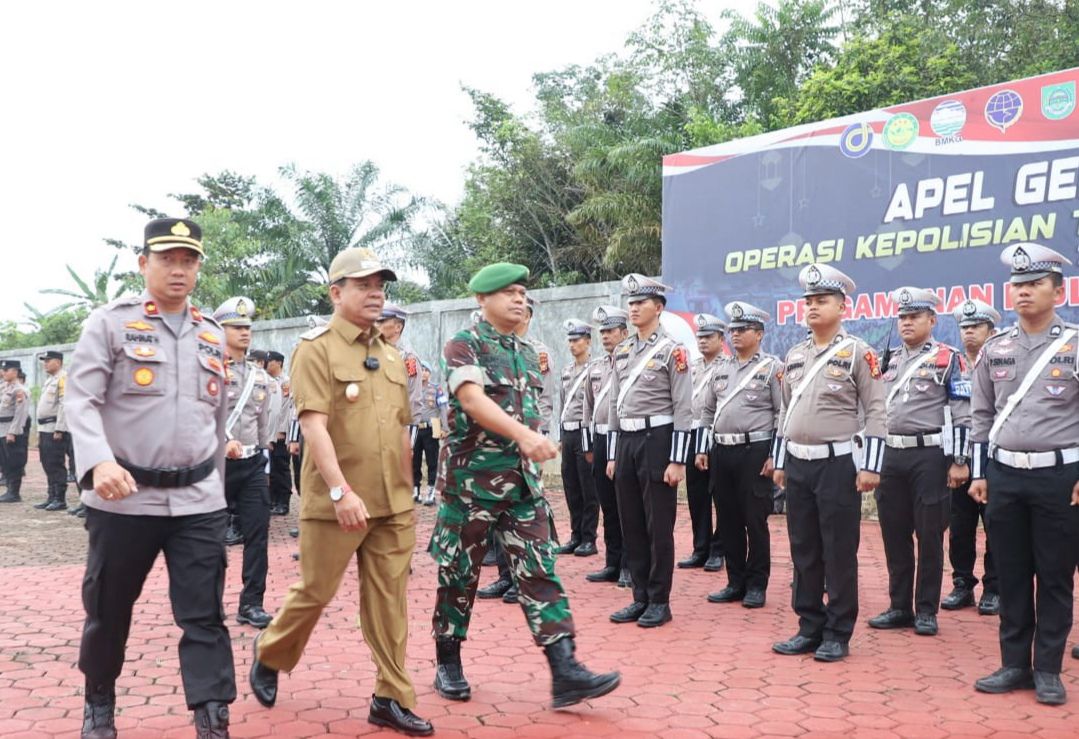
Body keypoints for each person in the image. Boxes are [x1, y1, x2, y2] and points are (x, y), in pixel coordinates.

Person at [248, 247, 432, 736]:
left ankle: (390, 697)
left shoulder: (390, 353)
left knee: (390, 601)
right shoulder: (317, 348)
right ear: (336, 292)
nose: (375, 294)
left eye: (380, 286)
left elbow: (399, 429)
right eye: (363, 285)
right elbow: (314, 426)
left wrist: (409, 490)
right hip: (339, 502)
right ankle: (270, 650)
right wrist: (339, 492)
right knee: (316, 591)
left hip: (392, 504)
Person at [66, 217, 235, 738]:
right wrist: (97, 463)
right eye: (167, 259)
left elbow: (218, 419)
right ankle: (99, 701)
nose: (178, 270)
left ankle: (211, 717)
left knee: (203, 614)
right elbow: (82, 400)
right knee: (108, 610)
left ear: (198, 268)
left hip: (199, 502)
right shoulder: (109, 323)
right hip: (125, 500)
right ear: (144, 264)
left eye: (188, 261)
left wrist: (220, 492)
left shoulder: (212, 334)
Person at [429, 262, 621, 709]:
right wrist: (525, 435)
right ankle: (448, 661)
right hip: (471, 486)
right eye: (508, 292)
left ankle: (565, 670)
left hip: (522, 489)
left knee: (540, 571)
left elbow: (531, 407)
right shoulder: (464, 345)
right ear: (482, 299)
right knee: (459, 577)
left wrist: (535, 440)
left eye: (522, 292)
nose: (519, 299)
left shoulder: (526, 349)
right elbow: (472, 399)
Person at [970, 243, 1079, 706]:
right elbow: (979, 416)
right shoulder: (997, 347)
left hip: (1059, 478)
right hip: (1005, 477)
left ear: (1058, 291)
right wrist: (980, 473)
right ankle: (1014, 663)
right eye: (1017, 285)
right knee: (1011, 573)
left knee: (1054, 575)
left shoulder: (1074, 343)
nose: (1023, 292)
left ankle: (1048, 669)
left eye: (1034, 284)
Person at [772, 263, 886, 663]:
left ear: (842, 307)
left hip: (838, 465)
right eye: (809, 301)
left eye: (822, 301)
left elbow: (876, 411)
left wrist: (870, 466)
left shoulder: (859, 353)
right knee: (803, 548)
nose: (813, 307)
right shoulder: (795, 354)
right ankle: (809, 625)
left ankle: (838, 631)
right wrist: (780, 461)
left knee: (838, 550)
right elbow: (784, 413)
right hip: (799, 465)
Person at [868, 287, 971, 637]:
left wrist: (959, 460)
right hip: (891, 455)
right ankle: (899, 606)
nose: (907, 322)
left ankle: (926, 609)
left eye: (914, 316)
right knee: (893, 533)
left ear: (932, 320)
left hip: (930, 456)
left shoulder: (948, 358)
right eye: (903, 317)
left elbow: (962, 414)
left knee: (929, 535)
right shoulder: (888, 359)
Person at [606, 274, 694, 629]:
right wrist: (613, 453)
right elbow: (614, 402)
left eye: (640, 302)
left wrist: (678, 459)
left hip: (657, 440)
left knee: (658, 524)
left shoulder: (673, 351)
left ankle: (659, 599)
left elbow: (683, 407)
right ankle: (639, 595)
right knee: (631, 523)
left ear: (658, 308)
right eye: (630, 302)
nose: (633, 308)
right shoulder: (623, 350)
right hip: (626, 442)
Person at [695, 302, 781, 609]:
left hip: (755, 451)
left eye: (742, 330)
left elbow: (781, 413)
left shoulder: (772, 368)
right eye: (732, 330)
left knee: (754, 520)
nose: (735, 334)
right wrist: (702, 448)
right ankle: (735, 581)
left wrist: (775, 457)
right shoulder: (721, 368)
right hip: (722, 451)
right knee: (728, 518)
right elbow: (707, 411)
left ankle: (757, 584)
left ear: (758, 334)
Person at [213, 297, 274, 630]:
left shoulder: (257, 375)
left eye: (248, 327)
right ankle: (209, 601)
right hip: (216, 465)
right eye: (236, 327)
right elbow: (199, 414)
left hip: (251, 464)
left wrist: (263, 457)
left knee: (257, 534)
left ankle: (252, 603)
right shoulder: (207, 369)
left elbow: (262, 422)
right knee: (210, 537)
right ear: (220, 331)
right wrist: (222, 442)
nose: (244, 333)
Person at [941, 299, 1001, 617]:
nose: (969, 333)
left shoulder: (1002, 364)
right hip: (959, 462)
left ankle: (994, 588)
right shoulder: (956, 365)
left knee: (996, 526)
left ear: (991, 330)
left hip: (994, 460)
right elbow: (955, 417)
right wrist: (958, 461)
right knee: (960, 526)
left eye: (975, 327)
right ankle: (963, 584)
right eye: (964, 327)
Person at [581, 306, 631, 587]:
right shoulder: (597, 366)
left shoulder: (633, 361)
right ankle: (613, 562)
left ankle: (629, 565)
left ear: (624, 333)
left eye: (611, 331)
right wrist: (589, 445)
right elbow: (588, 407)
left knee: (627, 506)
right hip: (600, 439)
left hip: (625, 438)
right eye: (602, 332)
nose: (605, 337)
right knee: (608, 506)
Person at [681, 313, 726, 571]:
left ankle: (718, 550)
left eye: (709, 337)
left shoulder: (728, 366)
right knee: (696, 495)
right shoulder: (693, 367)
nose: (703, 341)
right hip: (693, 432)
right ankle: (701, 547)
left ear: (721, 339)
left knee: (719, 494)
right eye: (700, 337)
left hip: (716, 434)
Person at [556, 318, 599, 557]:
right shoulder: (566, 371)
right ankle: (575, 535)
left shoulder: (596, 369)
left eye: (577, 340)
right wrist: (560, 435)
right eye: (570, 340)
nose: (572, 345)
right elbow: (563, 403)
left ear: (588, 342)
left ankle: (589, 538)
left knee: (587, 487)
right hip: (568, 431)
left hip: (585, 432)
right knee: (571, 485)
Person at [376, 303, 425, 500]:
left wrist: (409, 444)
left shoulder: (408, 360)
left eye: (381, 321)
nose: (376, 324)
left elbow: (413, 402)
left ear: (397, 327)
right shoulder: (371, 354)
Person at [35, 351, 71, 511]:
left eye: (48, 361)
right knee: (47, 463)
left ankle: (59, 498)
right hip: (44, 428)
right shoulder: (50, 380)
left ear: (58, 361)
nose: (45, 364)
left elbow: (64, 404)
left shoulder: (63, 378)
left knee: (55, 463)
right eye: (45, 361)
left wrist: (60, 428)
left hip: (54, 427)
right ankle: (51, 496)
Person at [265, 351, 295, 516]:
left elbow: (286, 411)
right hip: (269, 434)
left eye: (270, 361)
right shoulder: (267, 381)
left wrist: (282, 432)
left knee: (281, 470)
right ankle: (273, 501)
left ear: (278, 363)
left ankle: (283, 502)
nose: (267, 364)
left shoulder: (286, 383)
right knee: (272, 471)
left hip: (280, 435)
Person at [412, 362, 445, 506]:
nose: (424, 373)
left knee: (432, 461)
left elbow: (443, 408)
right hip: (415, 428)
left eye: (427, 370)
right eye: (422, 370)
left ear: (430, 373)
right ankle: (416, 490)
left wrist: (445, 427)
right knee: (414, 461)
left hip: (431, 429)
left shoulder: (436, 389)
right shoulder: (413, 388)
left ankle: (431, 491)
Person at [0, 360, 30, 503]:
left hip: (11, 430)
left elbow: (20, 413)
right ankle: (9, 490)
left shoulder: (19, 390)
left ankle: (14, 492)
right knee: (4, 461)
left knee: (13, 461)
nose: (3, 372)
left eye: (7, 370)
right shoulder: (5, 387)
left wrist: (13, 432)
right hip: (1, 429)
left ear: (15, 371)